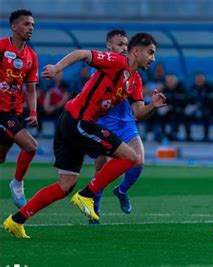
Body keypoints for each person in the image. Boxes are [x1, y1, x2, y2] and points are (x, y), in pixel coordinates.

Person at [3, 32, 167, 238]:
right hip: (78, 121)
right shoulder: (116, 62)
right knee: (130, 156)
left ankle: (16, 220)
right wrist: (57, 68)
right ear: (136, 51)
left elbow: (137, 113)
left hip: (71, 122)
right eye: (150, 53)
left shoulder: (135, 81)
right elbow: (82, 54)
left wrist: (153, 106)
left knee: (65, 185)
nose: (153, 58)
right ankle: (86, 195)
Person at [90, 29, 147, 225]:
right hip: (103, 122)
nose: (124, 48)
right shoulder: (103, 65)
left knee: (138, 161)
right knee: (101, 166)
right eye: (120, 44)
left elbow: (136, 103)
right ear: (109, 46)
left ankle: (121, 190)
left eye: (126, 45)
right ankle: (94, 209)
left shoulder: (133, 71)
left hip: (125, 122)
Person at [0, 9, 39, 209]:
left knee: (1, 157)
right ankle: (17, 185)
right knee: (31, 146)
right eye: (26, 24)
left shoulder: (31, 56)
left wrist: (33, 112)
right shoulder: (1, 47)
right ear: (14, 26)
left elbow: (31, 89)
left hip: (15, 111)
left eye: (32, 24)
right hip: (1, 110)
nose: (30, 28)